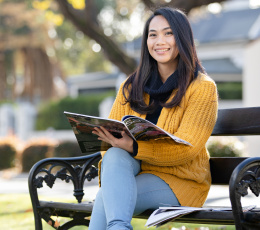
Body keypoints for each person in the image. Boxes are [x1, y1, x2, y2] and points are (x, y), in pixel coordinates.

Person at [89, 6, 218, 230]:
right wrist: (116, 143)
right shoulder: (131, 85)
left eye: (168, 33)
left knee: (106, 198)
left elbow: (187, 149)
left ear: (182, 38)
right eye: (153, 34)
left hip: (181, 181)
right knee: (113, 156)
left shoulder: (202, 88)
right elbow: (108, 144)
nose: (160, 41)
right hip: (135, 171)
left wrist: (135, 147)